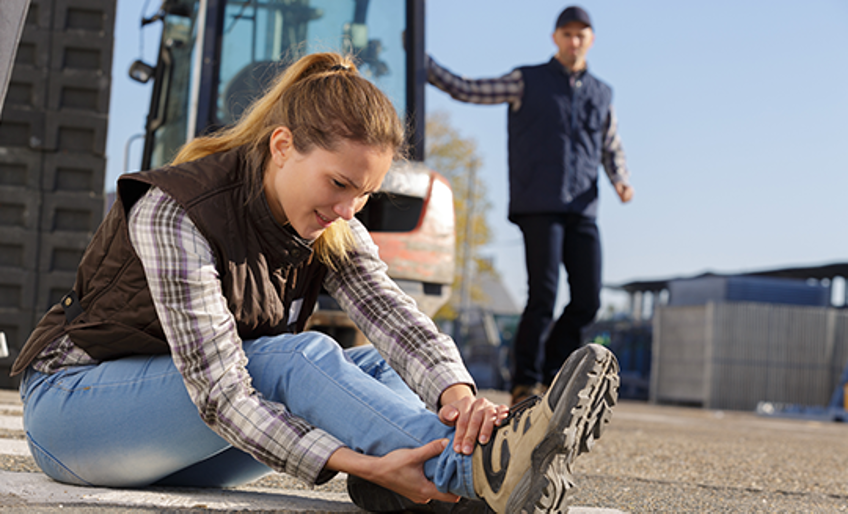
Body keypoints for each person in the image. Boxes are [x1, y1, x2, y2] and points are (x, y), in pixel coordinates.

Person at [11, 52, 619, 514]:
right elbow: (223, 394)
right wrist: (359, 460)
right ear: (283, 147)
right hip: (74, 416)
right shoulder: (175, 208)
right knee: (293, 360)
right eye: (338, 185)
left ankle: (438, 479)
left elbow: (394, 318)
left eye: (364, 193)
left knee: (371, 372)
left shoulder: (332, 221)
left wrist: (459, 400)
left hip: (180, 433)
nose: (349, 208)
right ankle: (474, 474)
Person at [427, 6, 634, 406]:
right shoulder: (527, 81)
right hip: (539, 202)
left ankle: (554, 369)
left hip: (582, 207)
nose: (574, 41)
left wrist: (621, 180)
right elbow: (469, 89)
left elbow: (611, 145)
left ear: (591, 40)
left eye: (581, 35)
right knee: (543, 294)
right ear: (555, 38)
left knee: (588, 299)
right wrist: (426, 66)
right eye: (567, 34)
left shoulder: (601, 92)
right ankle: (525, 379)